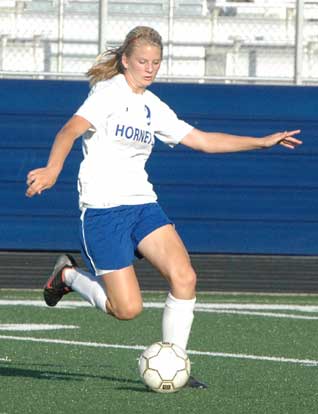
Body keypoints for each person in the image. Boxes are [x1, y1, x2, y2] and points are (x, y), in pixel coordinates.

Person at [26, 26, 302, 389]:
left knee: (185, 277)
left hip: (142, 204)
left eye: (156, 62)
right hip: (103, 211)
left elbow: (202, 141)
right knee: (126, 310)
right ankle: (67, 276)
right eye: (142, 61)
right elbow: (69, 130)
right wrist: (53, 168)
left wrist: (260, 142)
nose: (149, 68)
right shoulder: (109, 93)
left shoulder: (151, 106)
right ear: (125, 61)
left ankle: (176, 361)